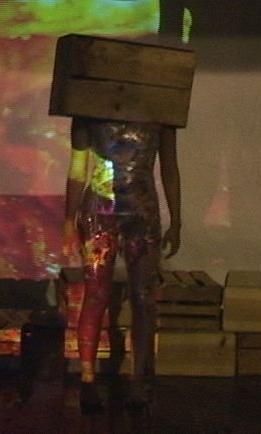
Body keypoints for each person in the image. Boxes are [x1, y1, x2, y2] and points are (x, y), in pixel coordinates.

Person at [63, 116, 181, 412]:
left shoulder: (160, 114)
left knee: (142, 297)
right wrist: (68, 220)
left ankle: (138, 380)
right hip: (100, 211)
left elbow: (169, 166)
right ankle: (88, 380)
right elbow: (78, 168)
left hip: (140, 212)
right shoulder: (88, 113)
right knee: (96, 293)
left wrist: (176, 220)